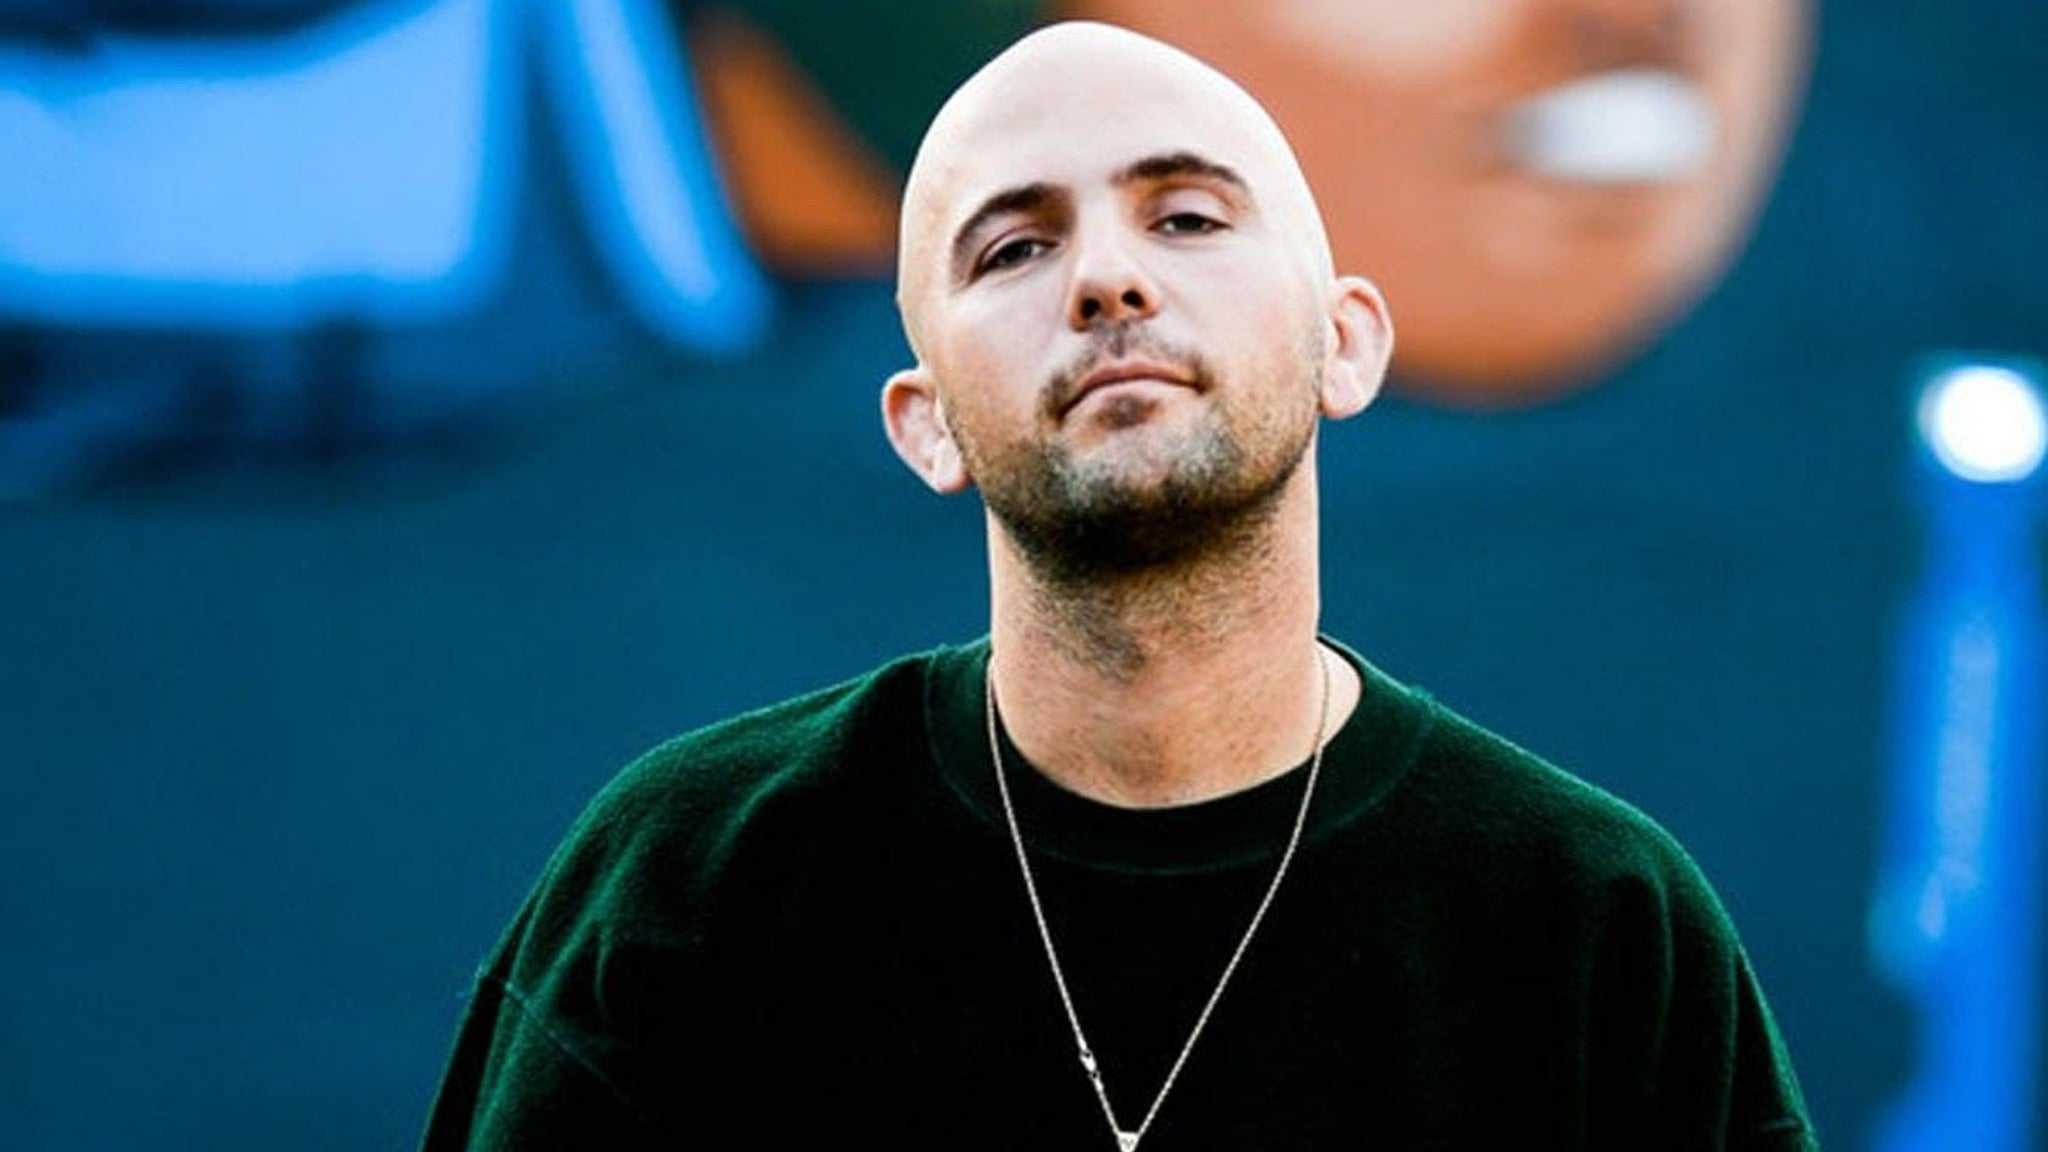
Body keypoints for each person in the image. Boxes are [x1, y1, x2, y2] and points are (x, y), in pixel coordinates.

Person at [419, 21, 1817, 1151]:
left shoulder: (1590, 924)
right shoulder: (698, 879)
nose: (1106, 280)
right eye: (1015, 249)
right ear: (925, 425)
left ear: (1345, 343)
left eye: (1189, 217)